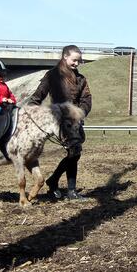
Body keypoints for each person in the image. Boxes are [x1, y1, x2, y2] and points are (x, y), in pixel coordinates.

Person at [28, 45, 92, 200]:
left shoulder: (81, 79)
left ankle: (54, 181)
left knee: (74, 153)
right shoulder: (52, 76)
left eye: (79, 61)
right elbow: (36, 98)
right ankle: (70, 190)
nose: (77, 63)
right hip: (59, 122)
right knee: (75, 152)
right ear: (65, 56)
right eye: (74, 60)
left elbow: (86, 100)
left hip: (75, 122)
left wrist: (78, 113)